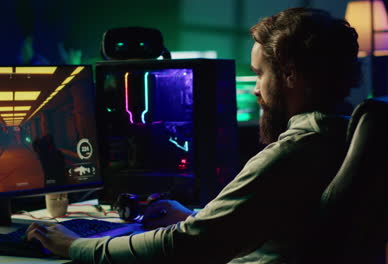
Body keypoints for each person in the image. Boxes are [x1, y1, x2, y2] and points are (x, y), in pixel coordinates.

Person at [26, 7, 361, 263]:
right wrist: (195, 217)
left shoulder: (295, 151)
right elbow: (266, 226)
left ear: (290, 75)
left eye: (260, 74)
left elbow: (186, 245)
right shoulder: (344, 135)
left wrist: (74, 245)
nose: (256, 89)